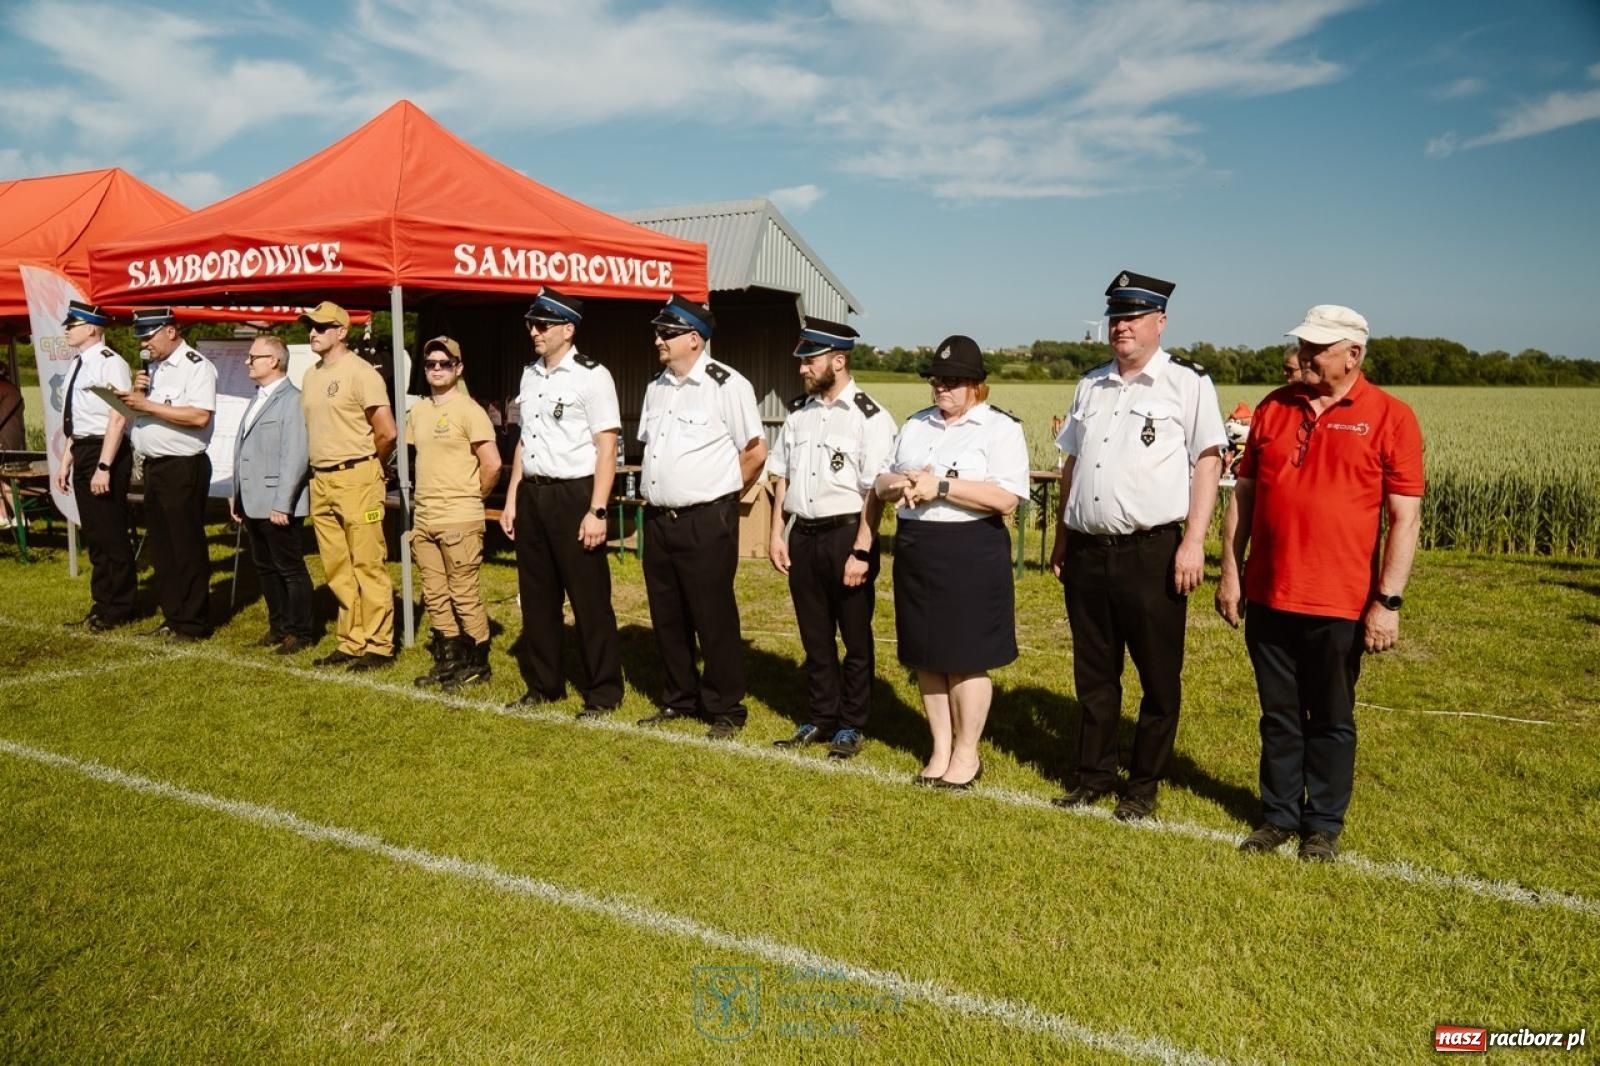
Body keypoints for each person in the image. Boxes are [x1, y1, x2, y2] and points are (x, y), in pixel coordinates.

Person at [1217, 305, 1424, 862]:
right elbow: (1244, 497)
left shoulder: (1391, 417)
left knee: (1331, 715)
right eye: (1303, 346)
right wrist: (1231, 571)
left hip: (1341, 600)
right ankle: (1278, 816)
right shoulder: (1272, 407)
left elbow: (1404, 518)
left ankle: (1323, 826)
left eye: (1318, 348)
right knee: (1278, 713)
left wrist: (1388, 601)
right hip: (1268, 593)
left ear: (1353, 354)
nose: (1304, 356)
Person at [1049, 271, 1225, 821]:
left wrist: (1194, 542)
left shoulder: (1186, 383)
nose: (1120, 326)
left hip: (1152, 551)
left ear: (1160, 322)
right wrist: (1061, 536)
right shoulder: (1092, 384)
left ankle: (1142, 785)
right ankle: (1094, 775)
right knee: (1094, 673)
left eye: (1132, 316)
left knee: (1157, 676)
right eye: (1115, 317)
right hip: (1087, 550)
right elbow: (1072, 464)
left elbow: (1208, 461)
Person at [873, 335, 1028, 789]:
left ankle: (967, 753)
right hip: (920, 545)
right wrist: (896, 483)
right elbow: (881, 479)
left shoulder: (1000, 429)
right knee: (926, 655)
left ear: (977, 385)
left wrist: (941, 487)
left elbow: (1005, 497)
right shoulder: (916, 425)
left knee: (965, 657)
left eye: (952, 381)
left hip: (971, 549)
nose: (941, 389)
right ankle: (940, 747)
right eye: (936, 381)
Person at [636, 294, 767, 740]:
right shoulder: (657, 385)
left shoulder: (726, 384)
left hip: (706, 518)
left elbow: (754, 452)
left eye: (667, 333)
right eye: (659, 332)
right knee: (667, 615)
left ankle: (725, 707)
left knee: (713, 616)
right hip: (657, 519)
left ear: (694, 339)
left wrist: (724, 499)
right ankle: (679, 699)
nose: (659, 339)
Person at [767, 316, 894, 759]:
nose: (802, 368)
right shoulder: (799, 414)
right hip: (803, 535)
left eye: (810, 359)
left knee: (854, 637)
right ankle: (822, 716)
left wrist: (862, 548)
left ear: (837, 361)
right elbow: (779, 476)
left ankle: (852, 723)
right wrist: (776, 534)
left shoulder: (869, 417)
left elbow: (873, 493)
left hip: (846, 536)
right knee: (814, 635)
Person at [499, 287, 624, 714]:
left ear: (567, 330)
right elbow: (525, 442)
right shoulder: (529, 375)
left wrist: (598, 509)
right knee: (536, 598)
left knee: (589, 600)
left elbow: (606, 447)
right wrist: (514, 495)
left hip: (575, 494)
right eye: (531, 324)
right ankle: (545, 685)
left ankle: (603, 692)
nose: (534, 331)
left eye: (543, 324)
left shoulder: (592, 375)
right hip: (534, 493)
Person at [299, 300, 398, 671]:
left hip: (357, 476)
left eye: (321, 327)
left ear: (342, 332)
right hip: (321, 478)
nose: (313, 332)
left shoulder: (362, 373)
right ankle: (351, 639)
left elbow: (387, 431)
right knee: (336, 565)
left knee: (367, 562)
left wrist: (367, 464)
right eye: (310, 325)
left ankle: (379, 644)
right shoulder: (311, 375)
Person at [119, 308, 218, 641]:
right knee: (162, 547)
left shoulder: (196, 367)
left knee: (185, 544)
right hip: (155, 465)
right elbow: (152, 412)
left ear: (171, 331)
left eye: (149, 336)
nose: (145, 344)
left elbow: (199, 417)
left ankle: (193, 622)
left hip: (182, 465)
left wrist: (147, 406)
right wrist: (137, 397)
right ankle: (173, 616)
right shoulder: (155, 368)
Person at [408, 336, 501, 689]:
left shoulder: (469, 410)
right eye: (430, 364)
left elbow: (491, 464)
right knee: (434, 592)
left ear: (458, 368)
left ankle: (479, 660)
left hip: (459, 517)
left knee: (463, 592)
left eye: (444, 364)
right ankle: (450, 658)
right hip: (425, 515)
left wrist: (472, 497)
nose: (436, 369)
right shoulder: (418, 411)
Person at [229, 334, 313, 654]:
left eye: (254, 357)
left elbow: (295, 455)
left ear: (274, 361)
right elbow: (246, 451)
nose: (248, 362)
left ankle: (300, 632)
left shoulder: (292, 399)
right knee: (265, 567)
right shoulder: (258, 396)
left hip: (277, 502)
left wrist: (283, 502)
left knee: (289, 568)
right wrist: (237, 495)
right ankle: (278, 626)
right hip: (253, 501)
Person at [54, 301, 136, 630]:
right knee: (96, 534)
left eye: (72, 325)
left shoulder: (109, 362)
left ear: (91, 328)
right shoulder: (79, 363)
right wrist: (66, 462)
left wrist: (104, 465)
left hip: (106, 451)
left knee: (111, 531)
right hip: (85, 448)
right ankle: (102, 604)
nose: (66, 330)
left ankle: (120, 607)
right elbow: (78, 420)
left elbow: (118, 415)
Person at [0, 364, 25, 529]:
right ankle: (4, 516)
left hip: (4, 440)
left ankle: (17, 516)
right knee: (4, 477)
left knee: (5, 477)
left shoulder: (2, 388)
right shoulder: (13, 389)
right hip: (14, 439)